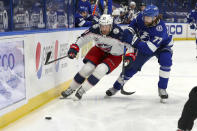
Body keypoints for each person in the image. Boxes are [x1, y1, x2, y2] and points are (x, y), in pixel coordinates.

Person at [105, 5, 173, 103]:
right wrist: (128, 33)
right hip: (144, 43)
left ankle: (162, 89)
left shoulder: (160, 29)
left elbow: (148, 49)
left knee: (166, 61)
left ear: (155, 17)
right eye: (145, 16)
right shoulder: (141, 17)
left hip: (162, 46)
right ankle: (115, 87)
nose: (145, 19)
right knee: (132, 67)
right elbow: (131, 27)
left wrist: (133, 40)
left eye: (148, 18)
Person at [61, 14, 134, 100]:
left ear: (111, 25)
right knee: (87, 68)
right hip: (99, 50)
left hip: (115, 56)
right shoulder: (95, 28)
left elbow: (130, 46)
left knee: (101, 69)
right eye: (102, 26)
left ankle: (82, 90)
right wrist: (75, 48)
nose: (104, 29)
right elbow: (83, 38)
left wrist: (129, 56)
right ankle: (71, 88)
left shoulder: (119, 33)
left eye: (106, 26)